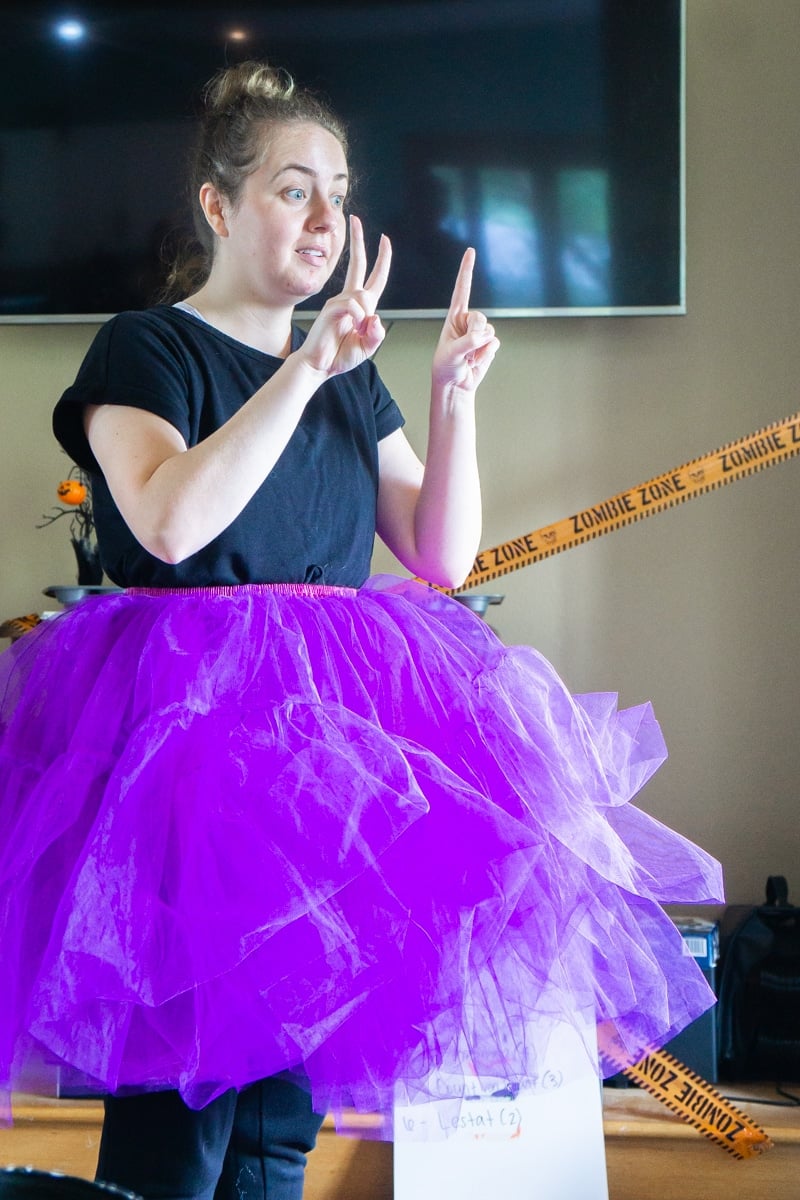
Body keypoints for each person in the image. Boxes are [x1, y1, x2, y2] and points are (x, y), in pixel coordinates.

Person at [0, 61, 723, 1200]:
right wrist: (305, 366)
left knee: (281, 1117)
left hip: (325, 751)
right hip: (184, 752)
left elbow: (441, 558)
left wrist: (448, 395)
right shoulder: (146, 350)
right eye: (293, 189)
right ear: (217, 205)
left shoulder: (350, 375)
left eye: (337, 189)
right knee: (181, 1111)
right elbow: (173, 524)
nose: (326, 218)